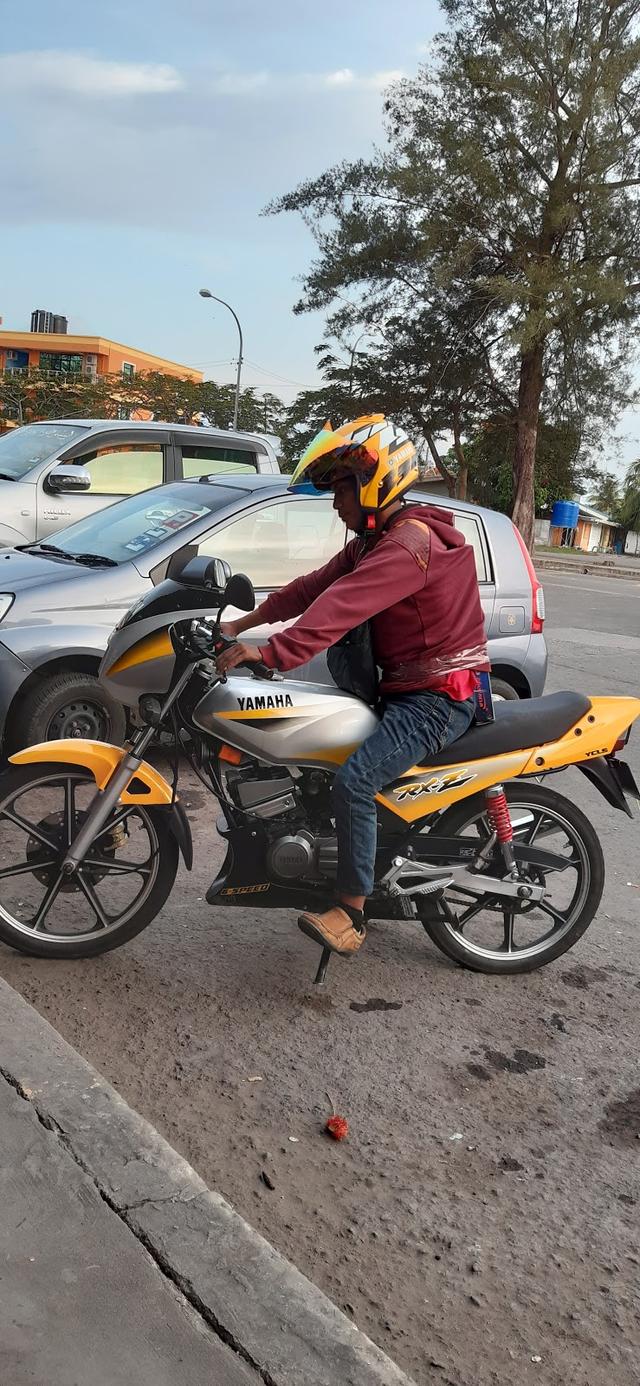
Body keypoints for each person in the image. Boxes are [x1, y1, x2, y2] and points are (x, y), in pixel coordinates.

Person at [217, 414, 490, 960]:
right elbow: (311, 589)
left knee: (355, 781)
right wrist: (237, 626)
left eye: (341, 488)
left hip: (440, 697)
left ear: (374, 482)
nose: (335, 501)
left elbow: (341, 608)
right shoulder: (373, 541)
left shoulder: (408, 544)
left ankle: (351, 912)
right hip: (404, 691)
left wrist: (273, 652)